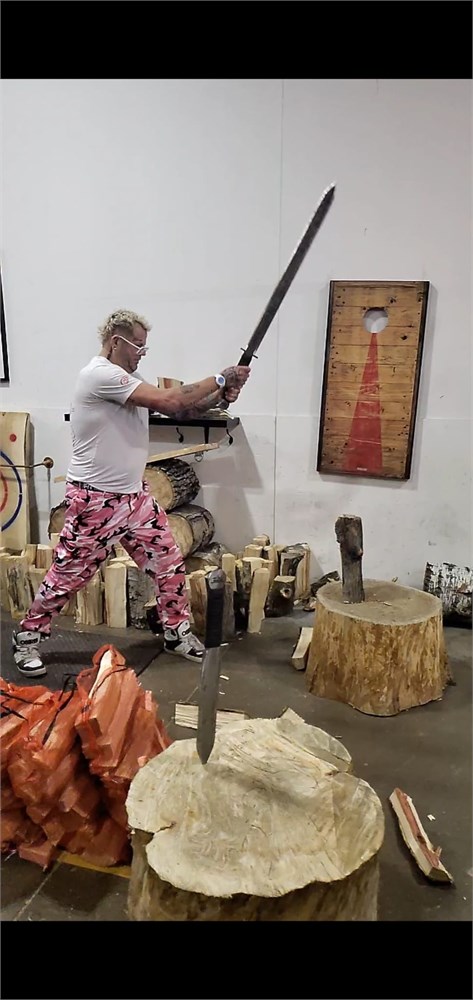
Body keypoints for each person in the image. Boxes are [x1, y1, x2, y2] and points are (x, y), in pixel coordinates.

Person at [13, 309, 251, 677]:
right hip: (95, 500)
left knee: (168, 562)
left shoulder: (131, 379)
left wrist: (220, 397)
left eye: (144, 346)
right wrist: (221, 377)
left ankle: (176, 632)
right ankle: (27, 638)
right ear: (115, 342)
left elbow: (182, 413)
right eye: (138, 345)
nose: (142, 353)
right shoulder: (99, 376)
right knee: (67, 576)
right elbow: (172, 401)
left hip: (134, 498)